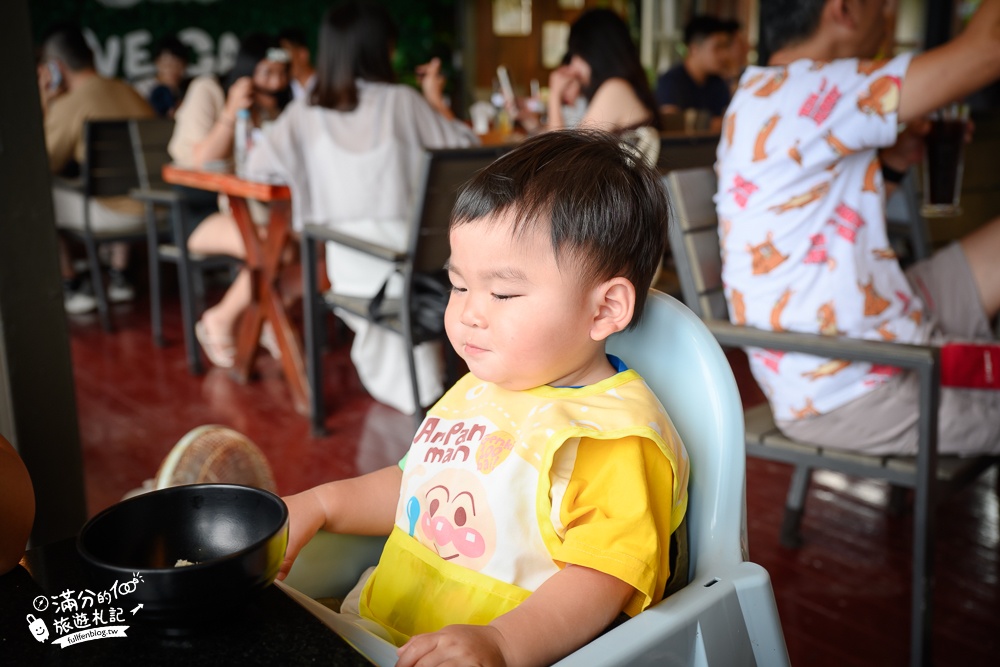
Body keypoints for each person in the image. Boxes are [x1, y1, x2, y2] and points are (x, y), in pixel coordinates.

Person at [279, 129, 689, 667]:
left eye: (503, 292)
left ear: (605, 309)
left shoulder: (608, 437)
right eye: (458, 284)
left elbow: (604, 577)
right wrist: (320, 504)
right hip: (381, 625)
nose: (470, 312)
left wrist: (501, 643)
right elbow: (418, 485)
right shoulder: (484, 386)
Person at [715, 0, 1000, 456]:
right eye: (883, 5)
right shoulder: (815, 86)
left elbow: (825, 230)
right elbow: (987, 49)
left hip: (861, 326)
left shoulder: (766, 93)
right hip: (852, 385)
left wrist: (890, 166)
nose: (889, 13)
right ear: (845, 10)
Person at [244, 1, 477, 415]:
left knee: (372, 278)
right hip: (426, 264)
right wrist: (435, 100)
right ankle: (429, 395)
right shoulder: (402, 101)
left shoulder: (308, 108)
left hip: (354, 264)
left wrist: (313, 172)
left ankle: (422, 396)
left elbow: (257, 166)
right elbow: (468, 149)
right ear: (380, 49)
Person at [167, 33, 292, 368]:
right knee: (273, 245)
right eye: (267, 72)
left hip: (256, 210)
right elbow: (200, 160)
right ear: (247, 70)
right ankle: (219, 320)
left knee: (296, 244)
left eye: (282, 74)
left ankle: (263, 319)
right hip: (199, 211)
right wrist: (232, 110)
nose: (276, 82)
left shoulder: (274, 109)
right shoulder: (208, 89)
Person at [38, 23, 154, 315]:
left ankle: (71, 285)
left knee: (35, 194)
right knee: (120, 184)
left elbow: (44, 163)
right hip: (158, 210)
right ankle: (120, 275)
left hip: (112, 216)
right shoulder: (130, 91)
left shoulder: (70, 103)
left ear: (55, 67)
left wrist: (43, 102)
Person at [544, 8, 659, 135]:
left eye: (577, 54)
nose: (573, 65)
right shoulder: (622, 88)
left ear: (594, 53)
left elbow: (562, 153)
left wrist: (555, 94)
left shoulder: (615, 89)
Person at [655, 15, 733, 132]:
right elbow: (672, 124)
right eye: (717, 48)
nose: (724, 55)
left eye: (725, 47)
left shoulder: (719, 84)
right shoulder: (670, 82)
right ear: (694, 49)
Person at [132, 35, 191, 117]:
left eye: (177, 64)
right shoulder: (141, 89)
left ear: (184, 66)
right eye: (167, 64)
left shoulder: (189, 90)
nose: (171, 69)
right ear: (157, 63)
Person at [278, 27, 316, 101]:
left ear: (303, 54)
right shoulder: (282, 92)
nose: (282, 61)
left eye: (286, 54)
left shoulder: (329, 84)